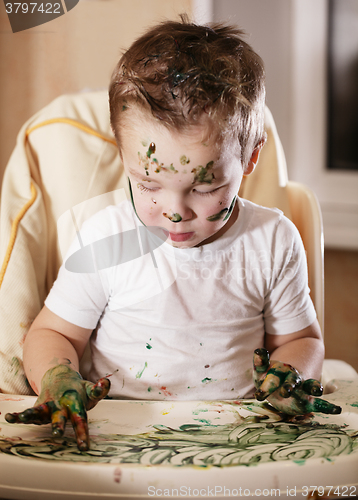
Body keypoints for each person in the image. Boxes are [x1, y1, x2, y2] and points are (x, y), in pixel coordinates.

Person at [5, 15, 340, 452]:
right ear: (121, 152)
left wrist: (290, 378)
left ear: (250, 158)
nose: (175, 213)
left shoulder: (272, 240)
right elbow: (54, 335)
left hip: (238, 436)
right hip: (114, 434)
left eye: (205, 187)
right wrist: (57, 376)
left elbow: (300, 341)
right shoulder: (107, 237)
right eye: (148, 184)